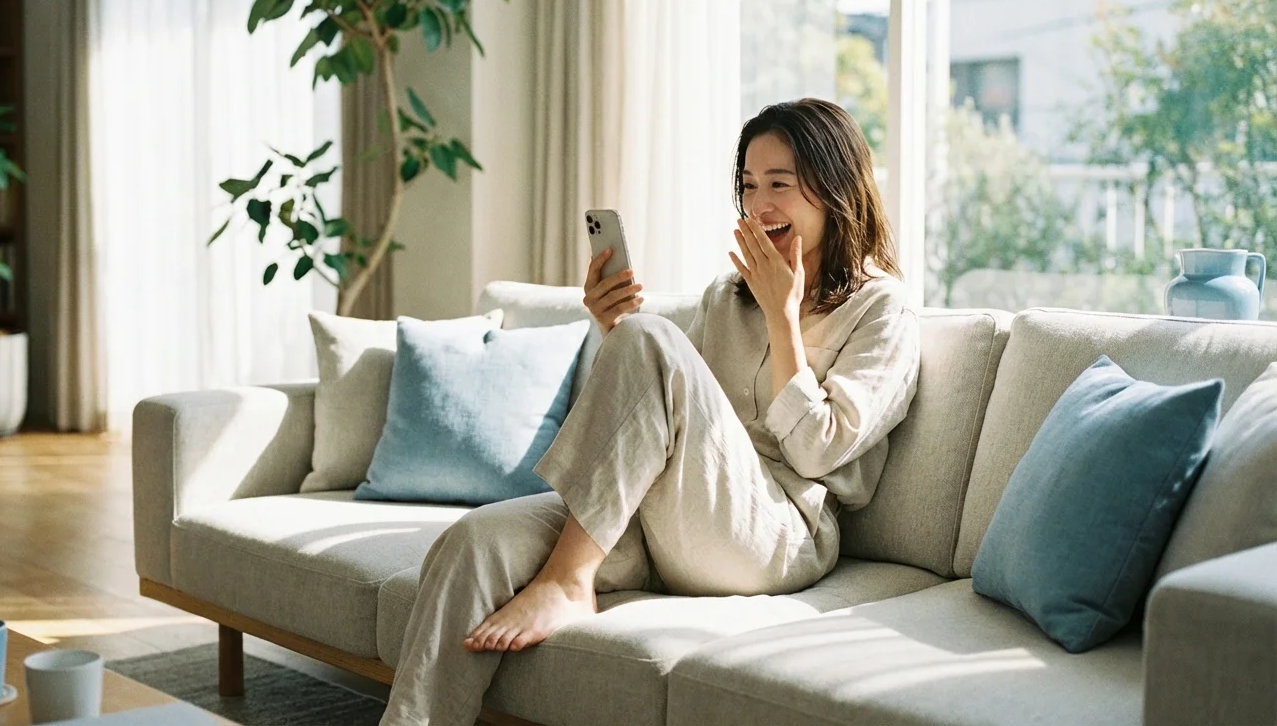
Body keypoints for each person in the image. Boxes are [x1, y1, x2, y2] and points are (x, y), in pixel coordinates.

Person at [379, 98, 921, 726]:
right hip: (673, 515)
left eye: (781, 184)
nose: (760, 204)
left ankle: (567, 582)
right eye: (749, 185)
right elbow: (664, 412)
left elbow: (817, 451)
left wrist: (784, 315)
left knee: (649, 338)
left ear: (835, 190)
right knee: (471, 543)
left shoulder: (884, 310)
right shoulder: (727, 296)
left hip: (775, 534)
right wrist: (615, 327)